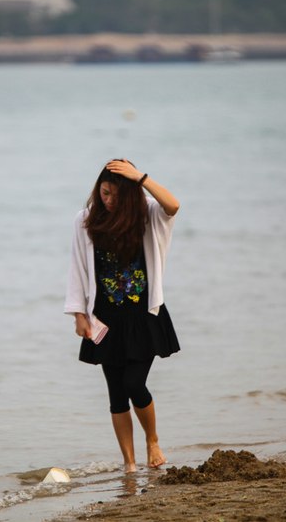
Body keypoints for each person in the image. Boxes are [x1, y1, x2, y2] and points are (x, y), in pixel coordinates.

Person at [64, 158, 181, 473]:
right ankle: (129, 464)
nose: (109, 200)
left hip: (144, 317)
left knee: (134, 383)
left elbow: (173, 205)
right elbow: (77, 267)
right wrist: (78, 314)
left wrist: (140, 177)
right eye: (105, 193)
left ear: (130, 194)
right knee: (116, 394)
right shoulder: (85, 220)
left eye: (116, 195)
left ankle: (152, 441)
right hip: (105, 321)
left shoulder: (148, 214)